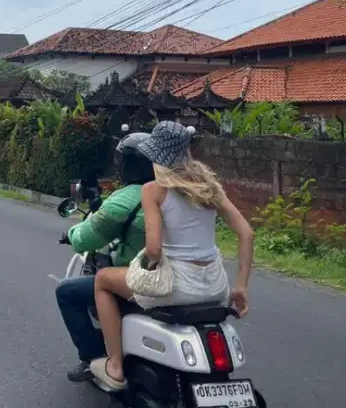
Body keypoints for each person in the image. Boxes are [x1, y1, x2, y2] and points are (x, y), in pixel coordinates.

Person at [89, 121, 255, 392]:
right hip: (216, 287)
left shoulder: (154, 190)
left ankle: (115, 365)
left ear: (155, 155)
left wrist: (142, 266)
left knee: (102, 280)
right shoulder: (209, 188)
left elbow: (154, 250)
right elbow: (247, 234)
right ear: (186, 152)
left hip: (176, 287)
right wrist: (241, 288)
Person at [55, 133, 155, 385]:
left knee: (67, 292)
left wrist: (72, 233)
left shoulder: (126, 198)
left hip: (143, 279)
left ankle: (96, 358)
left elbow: (85, 239)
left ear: (126, 165)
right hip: (192, 277)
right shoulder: (180, 193)